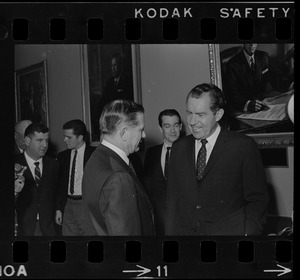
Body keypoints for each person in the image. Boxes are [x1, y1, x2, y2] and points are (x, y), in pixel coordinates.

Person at [165, 83, 269, 235]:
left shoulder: (243, 146)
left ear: (218, 114)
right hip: (187, 243)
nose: (192, 122)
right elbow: (172, 202)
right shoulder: (178, 148)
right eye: (189, 113)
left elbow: (258, 200)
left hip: (228, 242)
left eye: (200, 115)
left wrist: (247, 233)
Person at [82, 99, 155, 236]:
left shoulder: (96, 158)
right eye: (141, 129)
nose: (144, 135)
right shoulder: (118, 178)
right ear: (124, 133)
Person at [14, 123, 58, 236]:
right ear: (27, 141)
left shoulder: (53, 164)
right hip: (23, 228)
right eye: (39, 140)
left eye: (46, 140)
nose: (44, 145)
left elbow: (56, 194)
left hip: (48, 228)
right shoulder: (14, 164)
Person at [143, 109, 182, 235]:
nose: (172, 130)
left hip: (183, 221)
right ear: (160, 128)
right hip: (159, 223)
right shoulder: (151, 153)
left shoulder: (190, 152)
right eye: (167, 126)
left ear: (181, 127)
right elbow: (147, 188)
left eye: (176, 125)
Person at [55, 120, 95, 236]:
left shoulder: (94, 155)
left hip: (86, 204)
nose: (65, 140)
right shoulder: (62, 157)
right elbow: (59, 185)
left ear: (80, 137)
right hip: (68, 205)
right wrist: (58, 208)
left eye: (69, 137)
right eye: (64, 137)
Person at [225, 43, 287, 113]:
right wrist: (248, 104)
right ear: (243, 43)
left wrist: (290, 85)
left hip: (264, 102)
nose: (252, 44)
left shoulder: (263, 56)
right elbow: (232, 93)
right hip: (244, 107)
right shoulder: (232, 64)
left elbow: (276, 76)